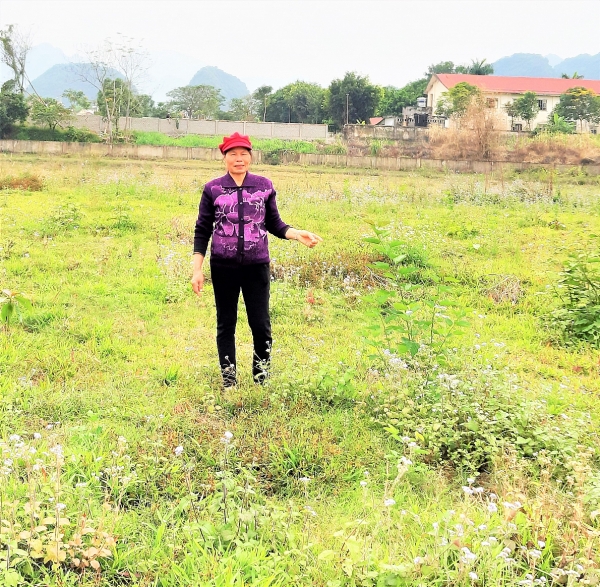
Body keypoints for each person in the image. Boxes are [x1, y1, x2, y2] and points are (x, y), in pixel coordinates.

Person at [191, 132, 322, 388]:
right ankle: (229, 382)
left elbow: (275, 223)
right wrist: (197, 269)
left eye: (244, 154)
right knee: (226, 324)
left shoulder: (264, 186)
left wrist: (297, 234)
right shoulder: (213, 189)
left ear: (251, 157)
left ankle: (261, 379)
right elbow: (202, 230)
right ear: (224, 158)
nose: (239, 159)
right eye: (233, 154)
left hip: (256, 266)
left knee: (261, 325)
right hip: (223, 267)